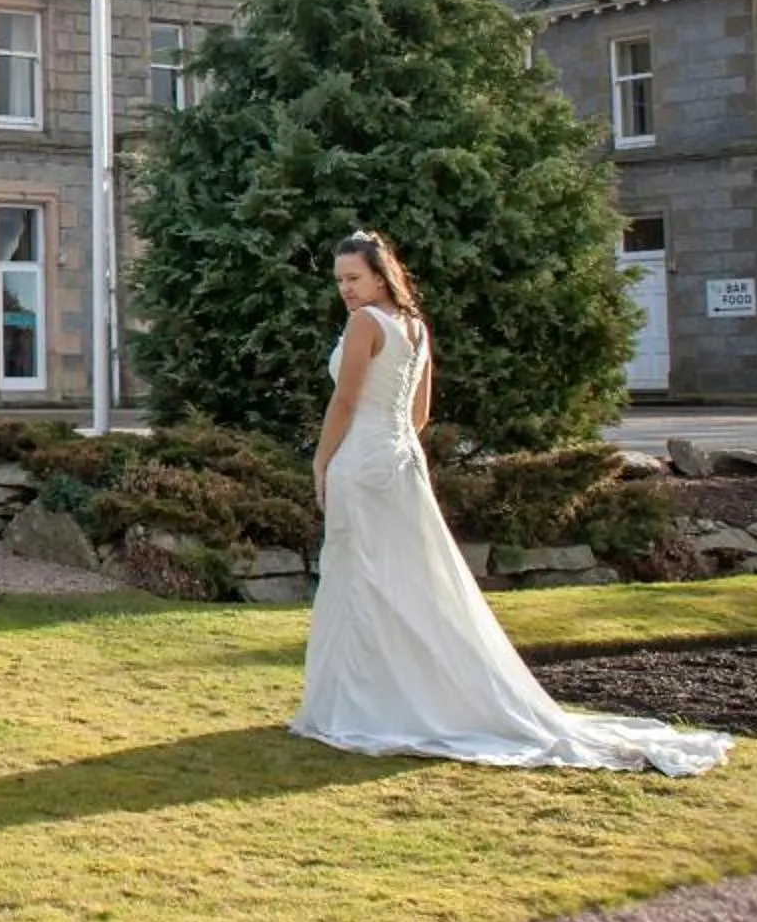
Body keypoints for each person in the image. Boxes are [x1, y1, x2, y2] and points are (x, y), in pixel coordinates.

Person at [291, 230, 730, 777]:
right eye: (339, 280)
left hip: (362, 462)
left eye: (353, 278)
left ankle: (364, 704)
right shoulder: (416, 328)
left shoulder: (365, 325)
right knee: (407, 579)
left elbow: (348, 398)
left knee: (366, 578)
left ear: (381, 275)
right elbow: (419, 415)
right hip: (401, 462)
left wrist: (321, 460)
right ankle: (393, 698)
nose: (346, 290)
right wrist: (390, 444)